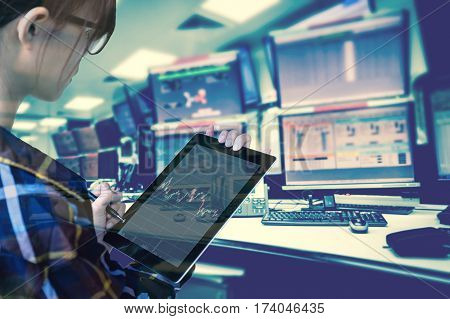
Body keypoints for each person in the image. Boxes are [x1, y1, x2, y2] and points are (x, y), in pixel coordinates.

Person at [0, 0, 252, 298]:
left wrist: (88, 242)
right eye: (89, 33)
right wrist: (194, 214)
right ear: (34, 28)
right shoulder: (19, 183)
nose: (84, 53)